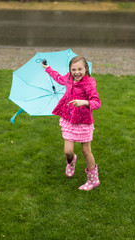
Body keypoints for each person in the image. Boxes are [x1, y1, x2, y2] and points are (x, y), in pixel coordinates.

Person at [42, 56, 101, 191]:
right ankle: (71, 161)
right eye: (73, 69)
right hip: (69, 119)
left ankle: (93, 180)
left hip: (84, 121)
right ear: (70, 70)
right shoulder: (68, 78)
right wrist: (47, 69)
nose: (77, 72)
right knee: (68, 151)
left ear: (86, 69)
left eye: (80, 69)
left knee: (86, 151)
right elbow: (58, 78)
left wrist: (84, 102)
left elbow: (97, 103)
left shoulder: (89, 83)